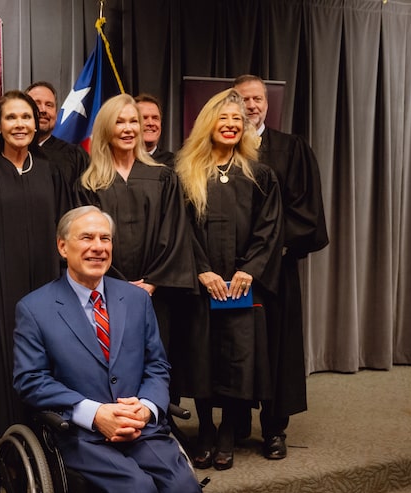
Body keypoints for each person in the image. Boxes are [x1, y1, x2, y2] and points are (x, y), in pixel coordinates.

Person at [12, 205, 204, 493]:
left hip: (141, 427)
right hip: (81, 435)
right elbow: (30, 380)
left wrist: (146, 408)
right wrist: (94, 413)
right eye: (86, 237)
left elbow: (157, 366)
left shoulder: (135, 299)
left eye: (105, 238)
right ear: (62, 247)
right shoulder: (35, 308)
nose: (98, 246)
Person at [174, 89, 283, 470]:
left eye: (238, 121)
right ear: (209, 124)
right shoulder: (186, 173)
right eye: (224, 119)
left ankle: (226, 433)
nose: (232, 125)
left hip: (240, 287)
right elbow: (180, 230)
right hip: (202, 286)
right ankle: (204, 429)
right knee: (201, 358)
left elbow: (269, 230)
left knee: (239, 359)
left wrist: (248, 269)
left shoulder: (260, 176)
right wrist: (201, 270)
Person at [0, 90, 73, 451]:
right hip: (0, 292)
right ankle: (9, 458)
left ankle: (52, 454)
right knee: (5, 371)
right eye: (11, 118)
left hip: (49, 287)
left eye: (26, 117)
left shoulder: (51, 173)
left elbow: (65, 233)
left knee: (51, 365)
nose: (20, 124)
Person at [234, 75, 329, 460]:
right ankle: (236, 420)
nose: (252, 105)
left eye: (258, 99)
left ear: (267, 103)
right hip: (233, 270)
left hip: (275, 270)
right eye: (244, 99)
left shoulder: (292, 149)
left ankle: (274, 429)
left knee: (276, 347)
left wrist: (268, 250)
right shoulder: (220, 147)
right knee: (235, 345)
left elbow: (306, 213)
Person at [76, 93, 196, 353]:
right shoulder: (89, 183)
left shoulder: (162, 176)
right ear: (107, 128)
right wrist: (116, 283)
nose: (128, 129)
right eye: (120, 122)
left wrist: (151, 282)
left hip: (156, 294)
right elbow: (87, 239)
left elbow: (174, 233)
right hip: (104, 290)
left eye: (134, 122)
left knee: (155, 362)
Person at [26, 81, 89, 185]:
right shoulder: (10, 155)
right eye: (36, 103)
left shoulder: (75, 156)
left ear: (56, 113)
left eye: (49, 105)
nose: (43, 110)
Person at [134, 93, 175, 167]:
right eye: (144, 118)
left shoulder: (174, 164)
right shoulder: (119, 163)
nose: (150, 123)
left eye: (155, 118)